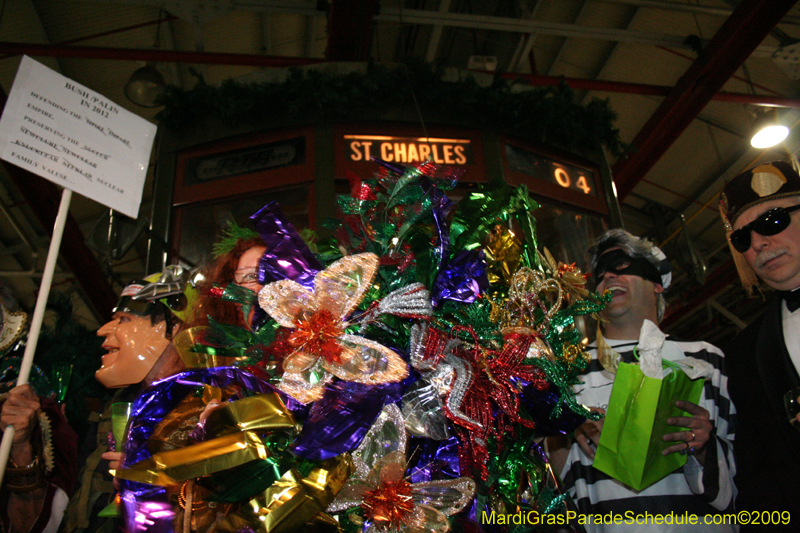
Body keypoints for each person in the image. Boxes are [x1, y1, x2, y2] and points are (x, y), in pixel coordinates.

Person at [552, 229, 736, 532]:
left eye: (622, 266)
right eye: (600, 275)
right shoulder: (568, 372)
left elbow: (745, 462)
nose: (608, 277)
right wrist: (564, 431)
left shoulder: (704, 359)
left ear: (657, 285)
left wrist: (702, 446)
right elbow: (553, 489)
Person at [0, 269, 192, 533]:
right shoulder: (115, 410)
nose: (103, 330)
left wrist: (160, 486)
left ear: (170, 328)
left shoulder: (205, 407)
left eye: (124, 319)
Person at [719, 160, 800, 523]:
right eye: (742, 237)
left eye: (772, 221)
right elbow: (757, 476)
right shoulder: (744, 354)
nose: (757, 243)